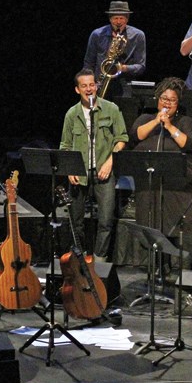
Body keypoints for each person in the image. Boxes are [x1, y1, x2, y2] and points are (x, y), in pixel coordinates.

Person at [129, 77, 192, 268]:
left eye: (172, 100)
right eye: (164, 98)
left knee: (179, 227)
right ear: (157, 99)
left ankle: (181, 273)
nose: (167, 103)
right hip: (149, 185)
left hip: (178, 188)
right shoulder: (146, 119)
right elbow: (136, 136)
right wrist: (157, 121)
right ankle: (156, 271)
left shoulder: (185, 121)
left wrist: (169, 126)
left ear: (178, 104)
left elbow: (188, 143)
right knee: (151, 225)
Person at [60, 69, 128, 260]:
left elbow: (121, 139)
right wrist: (68, 169)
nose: (89, 89)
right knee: (76, 221)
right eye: (84, 85)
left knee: (105, 220)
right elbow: (64, 146)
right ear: (77, 89)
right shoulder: (72, 114)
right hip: (79, 172)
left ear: (97, 86)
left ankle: (99, 260)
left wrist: (110, 161)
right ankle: (79, 259)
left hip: (104, 171)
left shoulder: (111, 109)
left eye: (92, 84)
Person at [83, 1, 147, 98]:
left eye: (121, 18)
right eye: (115, 18)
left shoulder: (138, 35)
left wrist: (123, 68)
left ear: (127, 19)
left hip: (124, 85)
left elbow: (141, 66)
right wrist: (90, 83)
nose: (118, 22)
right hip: (100, 83)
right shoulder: (97, 34)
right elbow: (88, 62)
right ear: (110, 19)